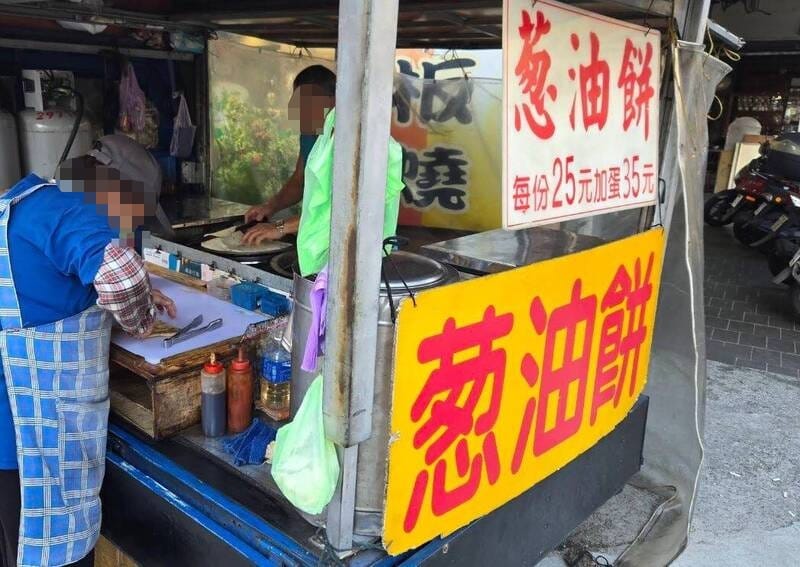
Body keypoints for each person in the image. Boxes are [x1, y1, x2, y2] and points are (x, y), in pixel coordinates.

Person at [0, 135, 176, 567]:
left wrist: (137, 291)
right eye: (133, 213)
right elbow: (121, 274)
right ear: (113, 189)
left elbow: (45, 288)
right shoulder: (70, 211)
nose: (129, 227)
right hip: (31, 450)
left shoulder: (23, 206)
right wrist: (141, 317)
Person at [242, 65, 336, 245]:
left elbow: (337, 210)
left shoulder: (349, 143)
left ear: (333, 101)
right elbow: (299, 180)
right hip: (316, 242)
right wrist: (270, 206)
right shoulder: (310, 134)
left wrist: (280, 227)